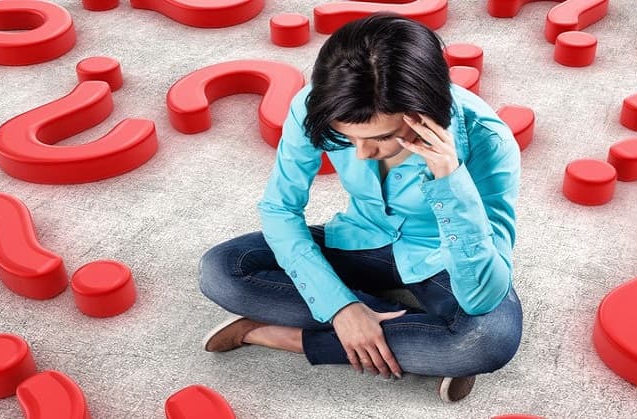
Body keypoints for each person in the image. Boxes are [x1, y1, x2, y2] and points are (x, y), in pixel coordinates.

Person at [198, 12, 523, 403]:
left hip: (440, 254)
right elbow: (280, 210)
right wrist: (342, 308)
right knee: (220, 271)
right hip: (360, 237)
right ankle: (415, 342)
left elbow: (481, 297)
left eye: (383, 138)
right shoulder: (318, 106)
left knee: (487, 341)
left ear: (425, 110)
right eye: (348, 138)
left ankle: (283, 336)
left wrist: (450, 179)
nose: (363, 153)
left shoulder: (489, 140)